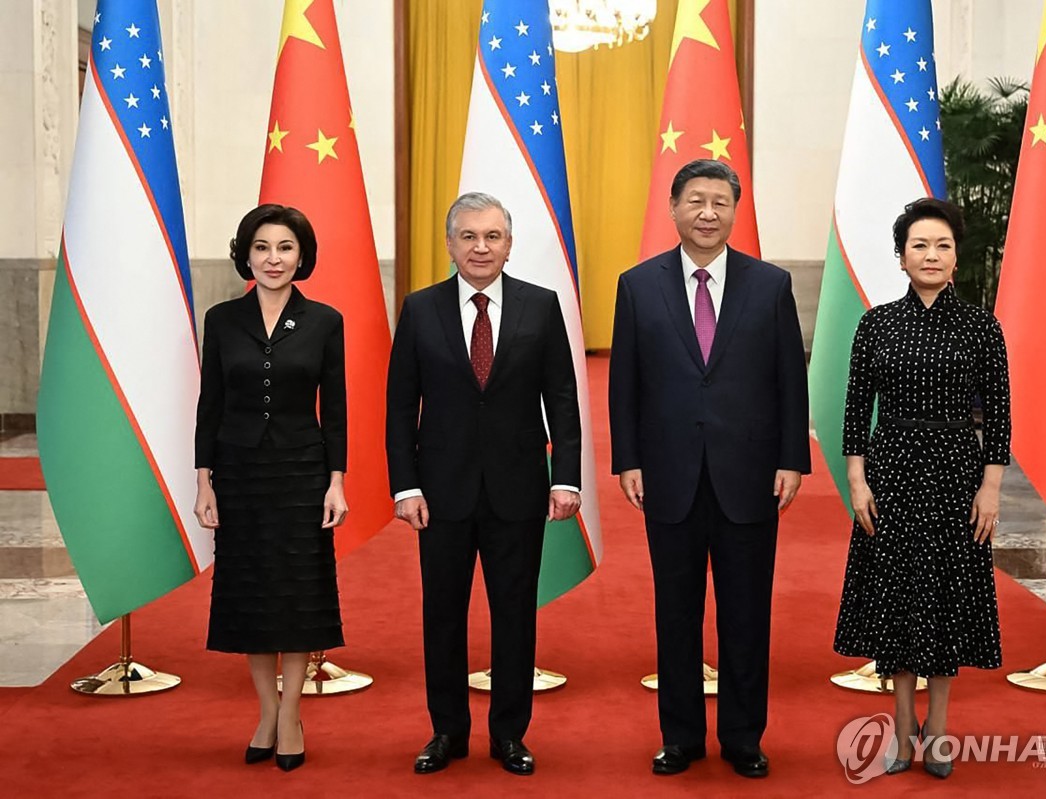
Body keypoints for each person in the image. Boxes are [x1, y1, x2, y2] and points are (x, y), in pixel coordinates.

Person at [609, 159, 810, 779]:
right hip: (668, 475)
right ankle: (681, 737)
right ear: (673, 209)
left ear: (734, 211)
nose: (707, 213)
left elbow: (788, 381)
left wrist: (791, 461)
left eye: (720, 202)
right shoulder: (638, 285)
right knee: (676, 614)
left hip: (749, 475)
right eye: (695, 200)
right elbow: (625, 383)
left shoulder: (769, 285)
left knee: (746, 613)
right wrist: (627, 459)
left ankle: (744, 738)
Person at [386, 192, 582, 777]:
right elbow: (400, 408)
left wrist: (566, 477)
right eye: (468, 236)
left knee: (515, 616)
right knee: (442, 615)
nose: (480, 247)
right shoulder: (420, 309)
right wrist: (405, 487)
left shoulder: (540, 307)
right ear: (449, 244)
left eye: (491, 236)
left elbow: (564, 403)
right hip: (439, 495)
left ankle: (509, 735)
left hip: (518, 491)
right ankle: (446, 731)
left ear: (509, 243)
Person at [832, 198, 1010, 779]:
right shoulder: (876, 324)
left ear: (956, 257)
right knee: (899, 601)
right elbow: (856, 412)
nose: (931, 256)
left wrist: (991, 487)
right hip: (894, 473)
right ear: (901, 258)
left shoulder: (982, 327)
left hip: (960, 474)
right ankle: (901, 728)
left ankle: (938, 730)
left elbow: (1001, 415)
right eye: (919, 246)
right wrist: (858, 482)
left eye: (942, 246)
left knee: (946, 600)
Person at [193, 204, 348, 772]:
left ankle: (290, 715)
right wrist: (205, 481)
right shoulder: (221, 319)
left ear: (301, 256)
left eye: (284, 248)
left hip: (301, 474)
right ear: (246, 254)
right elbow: (210, 406)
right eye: (262, 247)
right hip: (238, 475)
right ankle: (266, 711)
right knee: (251, 596)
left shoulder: (324, 321)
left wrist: (337, 482)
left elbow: (335, 411)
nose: (273, 258)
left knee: (298, 595)